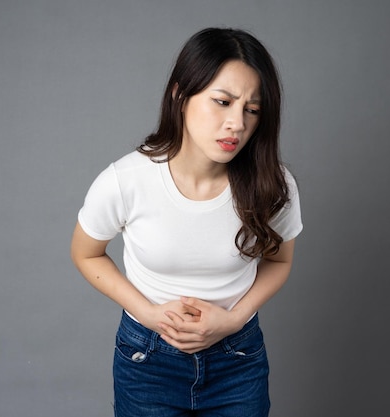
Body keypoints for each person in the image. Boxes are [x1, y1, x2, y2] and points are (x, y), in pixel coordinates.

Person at [70, 27, 302, 417]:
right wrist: (147, 313)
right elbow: (86, 254)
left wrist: (232, 320)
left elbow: (280, 262)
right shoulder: (126, 180)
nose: (237, 123)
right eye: (222, 101)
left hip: (237, 359)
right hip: (147, 361)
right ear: (181, 95)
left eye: (252, 109)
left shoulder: (272, 184)